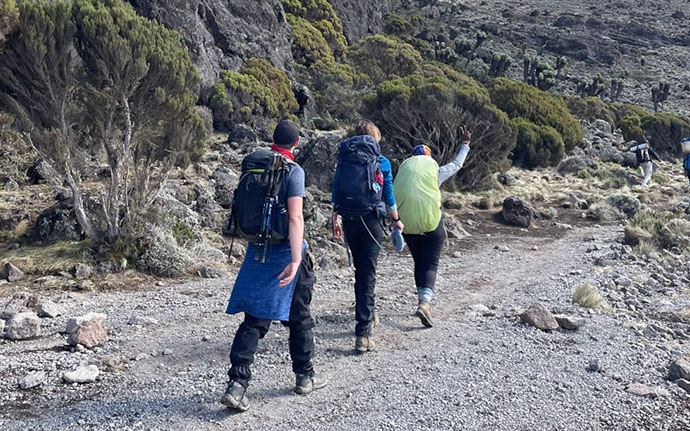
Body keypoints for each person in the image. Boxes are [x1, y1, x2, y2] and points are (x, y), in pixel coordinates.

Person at [221, 120, 326, 412]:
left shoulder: (254, 164)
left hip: (257, 251)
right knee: (300, 318)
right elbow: (295, 218)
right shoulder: (294, 171)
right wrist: (295, 259)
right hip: (285, 253)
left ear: (272, 140)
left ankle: (237, 385)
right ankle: (304, 377)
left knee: (254, 319)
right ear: (297, 144)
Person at [331, 120, 404, 354]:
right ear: (375, 137)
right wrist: (396, 219)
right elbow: (389, 194)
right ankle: (363, 332)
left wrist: (335, 217)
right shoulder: (380, 161)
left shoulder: (345, 157)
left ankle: (368, 316)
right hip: (372, 220)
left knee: (360, 271)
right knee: (368, 273)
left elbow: (336, 188)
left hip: (350, 218)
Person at [393, 127, 471, 328]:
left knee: (419, 261)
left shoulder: (403, 171)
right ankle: (425, 303)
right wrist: (465, 144)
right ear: (428, 157)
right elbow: (457, 164)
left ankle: (421, 300)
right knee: (431, 263)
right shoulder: (434, 170)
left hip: (407, 225)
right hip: (431, 224)